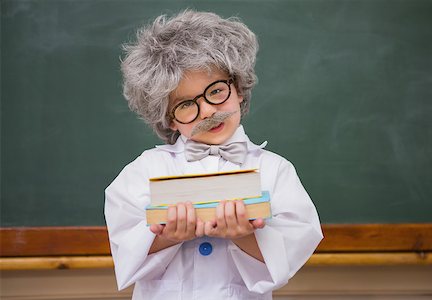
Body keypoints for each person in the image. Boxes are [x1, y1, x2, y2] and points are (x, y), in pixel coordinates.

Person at [105, 10, 323, 300]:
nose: (208, 110)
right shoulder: (143, 171)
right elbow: (125, 244)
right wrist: (168, 235)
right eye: (185, 105)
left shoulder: (276, 170)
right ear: (168, 119)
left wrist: (244, 235)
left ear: (239, 88)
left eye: (216, 91)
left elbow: (293, 247)